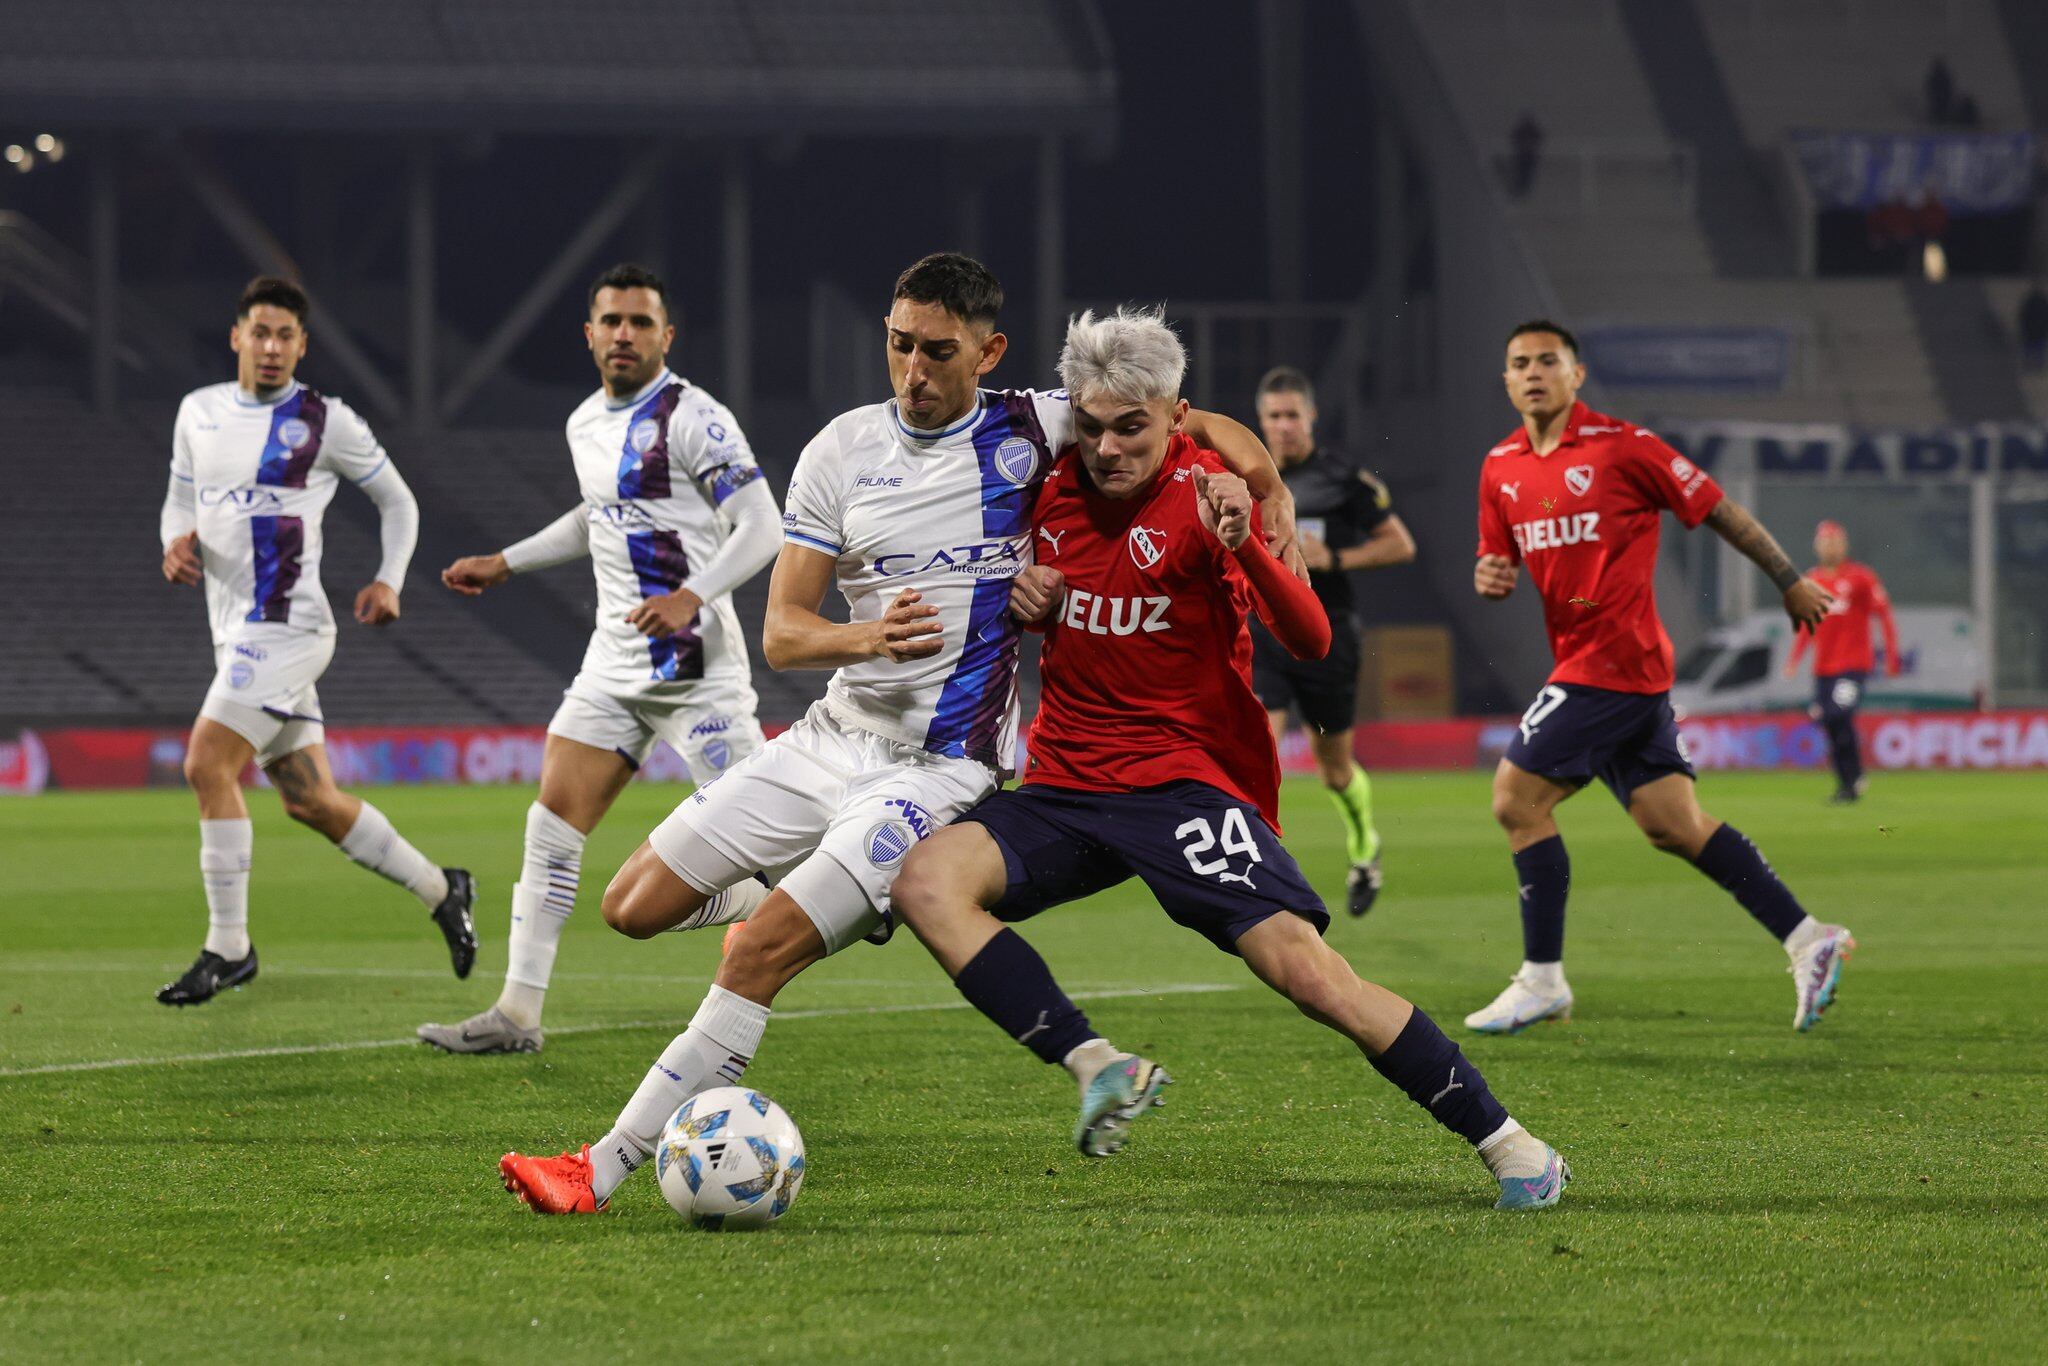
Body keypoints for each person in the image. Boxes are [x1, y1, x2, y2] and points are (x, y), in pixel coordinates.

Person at [495, 253, 1298, 1213]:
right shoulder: (841, 449)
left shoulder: (1032, 425)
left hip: (939, 773)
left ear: (988, 353)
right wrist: (864, 634)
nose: (913, 371)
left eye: (938, 352)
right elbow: (784, 632)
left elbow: (1192, 419)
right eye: (899, 345)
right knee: (631, 905)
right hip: (833, 735)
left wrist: (1266, 484)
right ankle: (835, 896)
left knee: (756, 955)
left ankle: (599, 1169)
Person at [889, 308, 1568, 1210]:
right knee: (924, 883)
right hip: (1064, 784)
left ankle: (1511, 1144)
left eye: (1132, 427)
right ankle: (1098, 1063)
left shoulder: (1211, 496)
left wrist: (1250, 538)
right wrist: (1018, 590)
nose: (1107, 448)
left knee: (1309, 974)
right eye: (1090, 427)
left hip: (1183, 785)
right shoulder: (1040, 485)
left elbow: (1314, 638)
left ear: (1175, 418)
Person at [417, 264, 780, 1054]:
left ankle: (828, 891)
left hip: (697, 668)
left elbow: (762, 523)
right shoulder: (585, 422)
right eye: (611, 320)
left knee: (775, 843)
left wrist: (694, 593)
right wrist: (506, 562)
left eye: (640, 322)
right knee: (550, 826)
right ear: (589, 334)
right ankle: (516, 1014)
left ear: (665, 337)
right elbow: (598, 517)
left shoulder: (694, 416)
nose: (624, 334)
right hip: (614, 663)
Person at [1464, 321, 1855, 1037]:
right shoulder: (1501, 467)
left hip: (1613, 664)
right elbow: (1500, 564)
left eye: (1549, 361)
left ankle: (1541, 980)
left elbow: (1718, 511)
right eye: (1519, 363)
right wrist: (1492, 576)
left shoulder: (1623, 448)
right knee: (1673, 826)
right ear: (1506, 380)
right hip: (1597, 668)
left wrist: (1790, 579)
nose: (1533, 373)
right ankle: (1809, 939)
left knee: (1515, 799)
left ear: (1576, 375)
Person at [155, 276, 476, 1006]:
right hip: (234, 632)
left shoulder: (326, 420)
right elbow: (179, 496)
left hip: (290, 627)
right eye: (259, 332)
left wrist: (390, 578)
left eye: (286, 336)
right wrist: (173, 541)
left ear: (303, 347)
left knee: (207, 764)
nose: (271, 347)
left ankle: (228, 948)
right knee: (312, 800)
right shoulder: (198, 413)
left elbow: (397, 499)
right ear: (237, 337)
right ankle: (443, 889)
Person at [1251, 366, 1415, 916]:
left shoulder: (1343, 478)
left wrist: (1336, 558)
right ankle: (1255, 872)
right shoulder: (1243, 472)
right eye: (1274, 416)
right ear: (1261, 420)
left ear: (1312, 416)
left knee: (1334, 769)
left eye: (1292, 414)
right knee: (1258, 746)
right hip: (1263, 633)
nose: (1283, 426)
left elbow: (1399, 546)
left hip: (1328, 636)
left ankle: (1365, 848)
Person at [1784, 520, 1900, 804]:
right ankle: (1848, 783)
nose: (1829, 546)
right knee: (1829, 722)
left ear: (1844, 545)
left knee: (1839, 714)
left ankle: (1854, 777)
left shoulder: (1861, 578)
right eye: (1824, 541)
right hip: (1823, 668)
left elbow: (1884, 615)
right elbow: (1806, 624)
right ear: (1817, 546)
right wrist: (1794, 659)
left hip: (1853, 666)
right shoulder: (1811, 581)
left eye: (1834, 541)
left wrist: (1891, 657)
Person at [2017, 284, 2048, 372]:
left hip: (2030, 330)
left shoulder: (2030, 302)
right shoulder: (2043, 303)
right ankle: (2037, 366)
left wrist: (2023, 328)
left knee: (2030, 350)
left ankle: (2029, 366)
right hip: (2040, 331)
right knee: (2038, 351)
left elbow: (2023, 316)